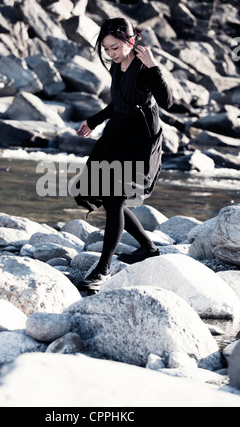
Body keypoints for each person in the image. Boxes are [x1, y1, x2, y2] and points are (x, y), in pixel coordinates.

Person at [74, 17, 173, 291]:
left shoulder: (144, 66)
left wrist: (155, 67)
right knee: (109, 195)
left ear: (131, 41)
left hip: (141, 140)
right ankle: (149, 248)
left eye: (115, 47)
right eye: (106, 49)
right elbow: (118, 102)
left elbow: (168, 102)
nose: (111, 54)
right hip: (118, 133)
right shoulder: (117, 66)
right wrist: (93, 121)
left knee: (115, 198)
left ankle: (102, 270)